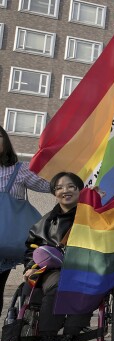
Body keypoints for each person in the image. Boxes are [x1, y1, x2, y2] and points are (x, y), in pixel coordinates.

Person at [22, 172, 90, 341]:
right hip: (49, 271)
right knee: (46, 288)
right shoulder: (44, 222)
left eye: (71, 186)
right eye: (59, 187)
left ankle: (62, 340)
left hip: (84, 270)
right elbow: (30, 249)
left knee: (71, 286)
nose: (65, 191)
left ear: (80, 190)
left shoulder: (91, 216)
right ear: (54, 192)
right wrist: (29, 267)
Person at [0, 126, 50, 315]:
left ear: (5, 141)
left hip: (8, 241)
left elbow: (49, 186)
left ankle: (27, 319)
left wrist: (79, 183)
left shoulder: (19, 169)